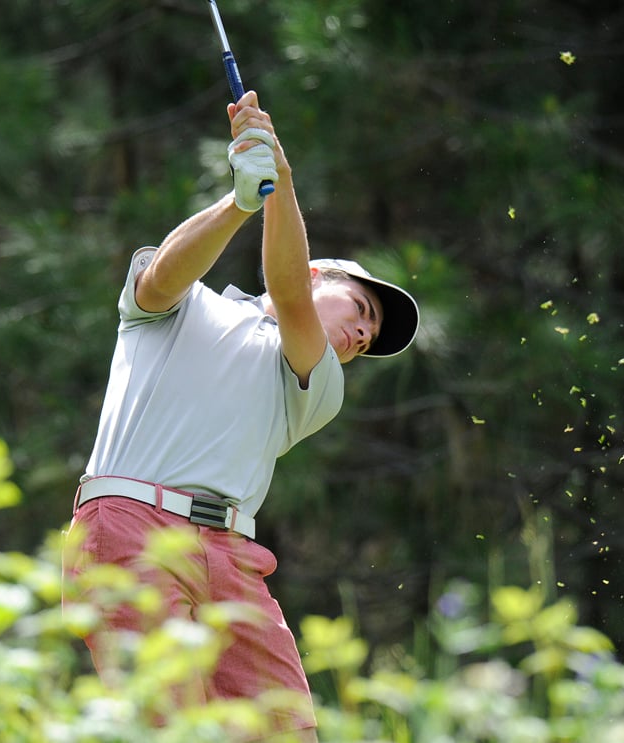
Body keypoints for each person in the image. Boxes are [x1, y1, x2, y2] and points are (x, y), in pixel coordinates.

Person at [64, 90, 419, 741]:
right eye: (362, 311)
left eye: (370, 340)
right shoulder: (182, 307)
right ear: (321, 272)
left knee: (285, 730)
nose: (362, 336)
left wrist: (278, 181)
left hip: (231, 554)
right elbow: (162, 277)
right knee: (164, 723)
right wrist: (241, 202)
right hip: (128, 524)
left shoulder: (316, 380)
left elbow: (288, 295)